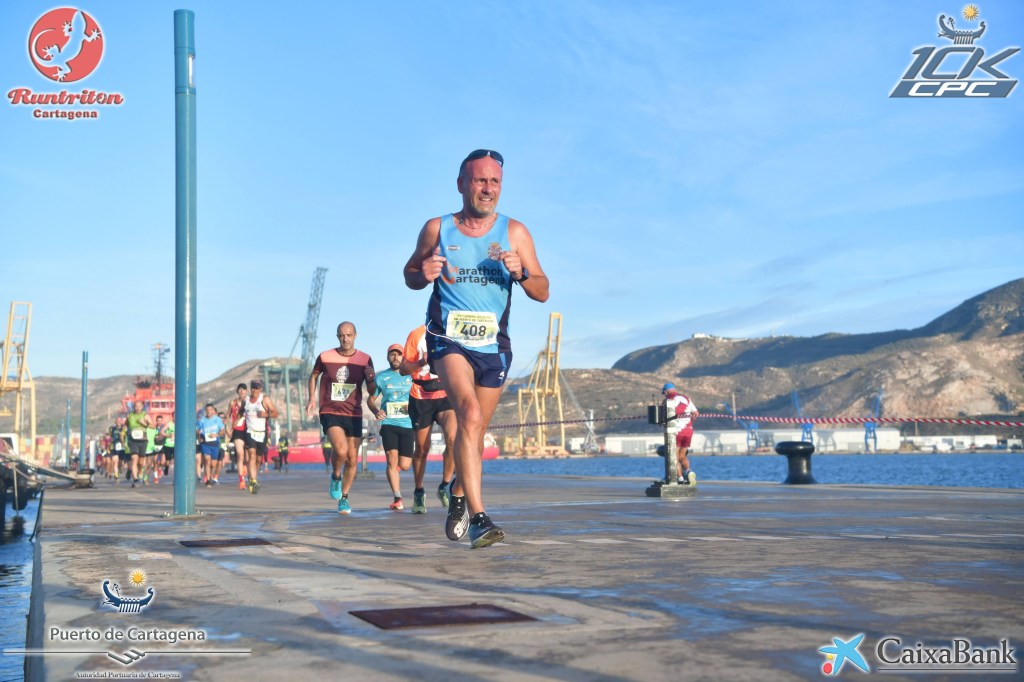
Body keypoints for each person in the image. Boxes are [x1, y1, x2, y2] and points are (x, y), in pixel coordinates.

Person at [403, 148, 549, 548]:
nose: (488, 188)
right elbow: (411, 273)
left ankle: (457, 492)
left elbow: (543, 290)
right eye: (480, 180)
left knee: (475, 430)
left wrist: (521, 273)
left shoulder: (514, 232)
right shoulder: (437, 228)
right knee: (467, 414)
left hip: (493, 346)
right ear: (461, 184)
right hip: (448, 339)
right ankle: (480, 519)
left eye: (494, 181)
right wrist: (422, 273)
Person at [306, 321, 377, 514]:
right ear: (338, 336)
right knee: (341, 450)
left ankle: (344, 498)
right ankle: (336, 476)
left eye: (349, 335)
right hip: (330, 411)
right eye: (341, 335)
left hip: (353, 413)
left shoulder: (365, 359)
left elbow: (372, 390)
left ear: (355, 336)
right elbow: (313, 376)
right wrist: (312, 398)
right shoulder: (325, 356)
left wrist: (371, 379)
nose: (345, 339)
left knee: (352, 459)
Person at [399, 325, 459, 511]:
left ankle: (445, 486)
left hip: (446, 393)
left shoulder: (454, 330)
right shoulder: (416, 334)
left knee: (453, 439)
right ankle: (419, 492)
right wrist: (421, 362)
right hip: (421, 396)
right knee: (421, 449)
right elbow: (403, 369)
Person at [368, 344, 417, 512]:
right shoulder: (382, 378)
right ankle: (397, 498)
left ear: (404, 357)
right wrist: (376, 411)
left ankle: (393, 470)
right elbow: (370, 399)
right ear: (388, 357)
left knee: (405, 465)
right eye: (392, 354)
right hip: (389, 424)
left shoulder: (412, 376)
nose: (395, 357)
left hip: (407, 424)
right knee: (391, 459)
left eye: (399, 354)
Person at [243, 379, 278, 494]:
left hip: (262, 433)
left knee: (258, 459)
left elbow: (275, 413)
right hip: (249, 431)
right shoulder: (246, 400)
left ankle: (253, 477)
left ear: (261, 388)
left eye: (257, 388)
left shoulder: (265, 399)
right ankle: (253, 481)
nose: (254, 390)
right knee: (252, 455)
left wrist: (266, 414)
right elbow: (240, 412)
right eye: (253, 387)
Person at [662, 382, 699, 485]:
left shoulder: (668, 400)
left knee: (674, 457)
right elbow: (696, 413)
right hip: (688, 430)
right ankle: (689, 472)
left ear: (665, 392)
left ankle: (680, 478)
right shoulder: (686, 398)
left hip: (676, 431)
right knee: (682, 456)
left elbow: (664, 417)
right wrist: (689, 422)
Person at [197, 403, 226, 486]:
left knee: (213, 464)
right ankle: (208, 480)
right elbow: (197, 430)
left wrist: (216, 434)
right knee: (207, 460)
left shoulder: (217, 419)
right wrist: (199, 437)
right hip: (205, 443)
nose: (209, 411)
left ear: (213, 410)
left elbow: (223, 431)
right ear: (205, 411)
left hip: (215, 444)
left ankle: (210, 475)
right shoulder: (202, 420)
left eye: (210, 409)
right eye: (207, 410)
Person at [227, 383, 249, 490]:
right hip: (237, 430)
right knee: (240, 454)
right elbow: (228, 416)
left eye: (243, 389)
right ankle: (241, 480)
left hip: (248, 429)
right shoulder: (233, 402)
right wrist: (227, 428)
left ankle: (244, 465)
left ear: (246, 391)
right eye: (240, 389)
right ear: (237, 391)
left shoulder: (249, 402)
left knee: (247, 457)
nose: (241, 391)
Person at [125, 401, 151, 487]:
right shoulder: (130, 416)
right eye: (136, 406)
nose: (137, 408)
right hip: (133, 440)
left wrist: (144, 423)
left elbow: (153, 425)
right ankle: (135, 479)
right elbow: (126, 425)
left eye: (139, 406)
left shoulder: (145, 415)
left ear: (142, 406)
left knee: (141, 462)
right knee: (134, 458)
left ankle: (140, 471)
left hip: (142, 440)